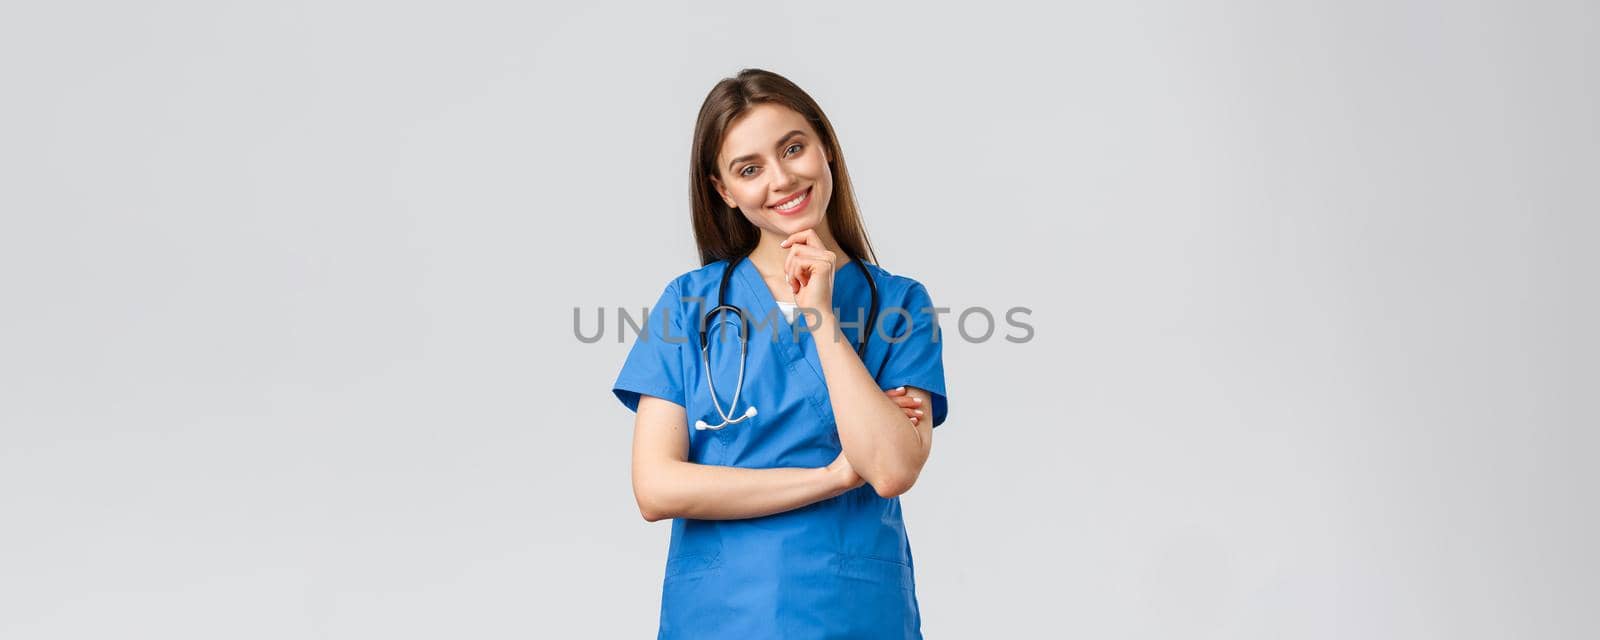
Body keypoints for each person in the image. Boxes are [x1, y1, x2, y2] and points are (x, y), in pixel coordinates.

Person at [611, 68, 950, 639]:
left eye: (793, 148)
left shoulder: (897, 303)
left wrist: (821, 318)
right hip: (722, 616)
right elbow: (656, 487)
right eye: (749, 169)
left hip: (854, 613)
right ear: (724, 190)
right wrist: (836, 475)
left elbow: (891, 469)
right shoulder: (689, 304)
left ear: (826, 150)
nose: (782, 178)